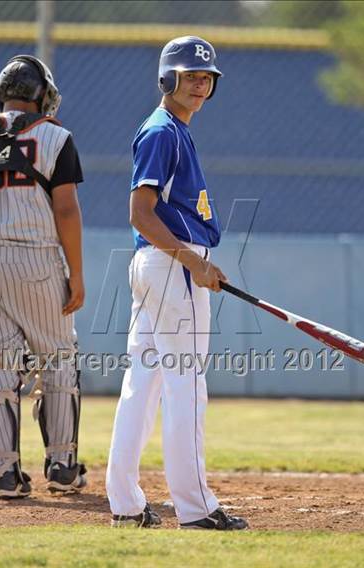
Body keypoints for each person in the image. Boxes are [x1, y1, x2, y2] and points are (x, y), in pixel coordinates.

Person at [106, 36, 249, 530]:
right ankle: (196, 508)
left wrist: (195, 262)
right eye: (190, 76)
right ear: (167, 78)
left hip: (165, 269)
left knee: (142, 387)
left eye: (206, 78)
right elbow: (141, 215)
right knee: (186, 386)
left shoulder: (174, 131)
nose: (200, 85)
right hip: (171, 269)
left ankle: (125, 503)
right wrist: (193, 262)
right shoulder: (162, 131)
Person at [0, 55, 86, 500]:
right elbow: (67, 209)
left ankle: (3, 476)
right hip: (35, 262)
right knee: (58, 360)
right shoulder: (56, 136)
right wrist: (77, 274)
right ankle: (62, 466)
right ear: (40, 97)